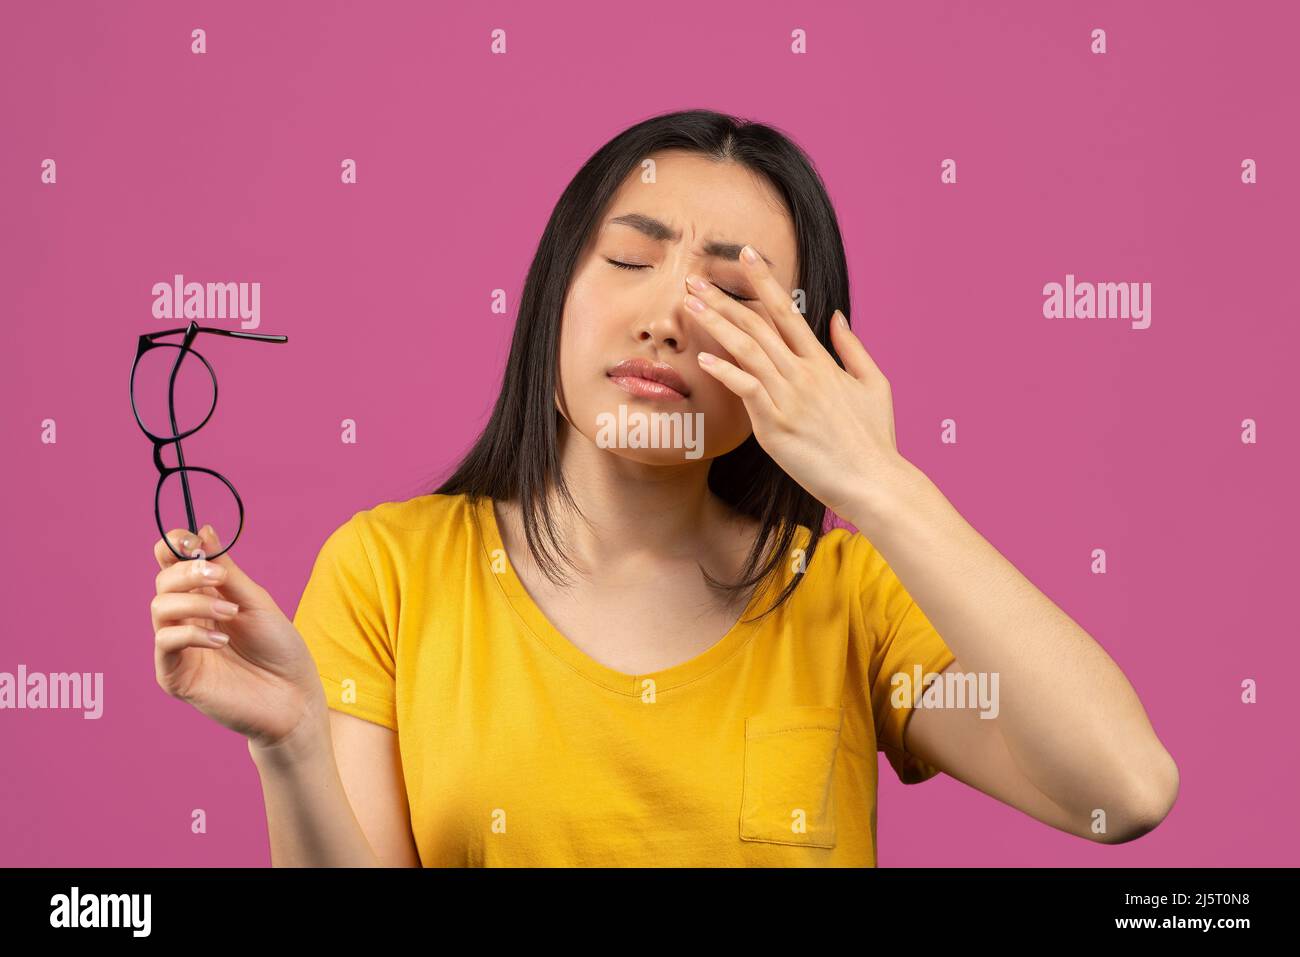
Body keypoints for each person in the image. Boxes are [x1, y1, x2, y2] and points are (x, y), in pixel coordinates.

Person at [148, 109, 1179, 867]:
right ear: (556, 289)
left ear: (800, 353)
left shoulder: (847, 598)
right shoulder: (393, 569)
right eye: (631, 260)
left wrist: (880, 483)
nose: (666, 320)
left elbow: (1123, 791)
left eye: (732, 294)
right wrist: (291, 747)